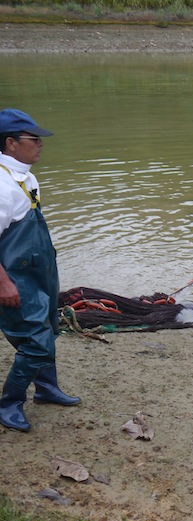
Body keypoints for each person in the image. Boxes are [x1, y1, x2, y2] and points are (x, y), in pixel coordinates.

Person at [0, 108, 81, 432]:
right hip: (15, 278)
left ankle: (47, 389)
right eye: (33, 139)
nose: (40, 144)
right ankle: (9, 403)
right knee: (36, 343)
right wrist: (4, 284)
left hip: (41, 270)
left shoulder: (26, 178)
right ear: (10, 143)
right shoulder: (1, 186)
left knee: (50, 327)